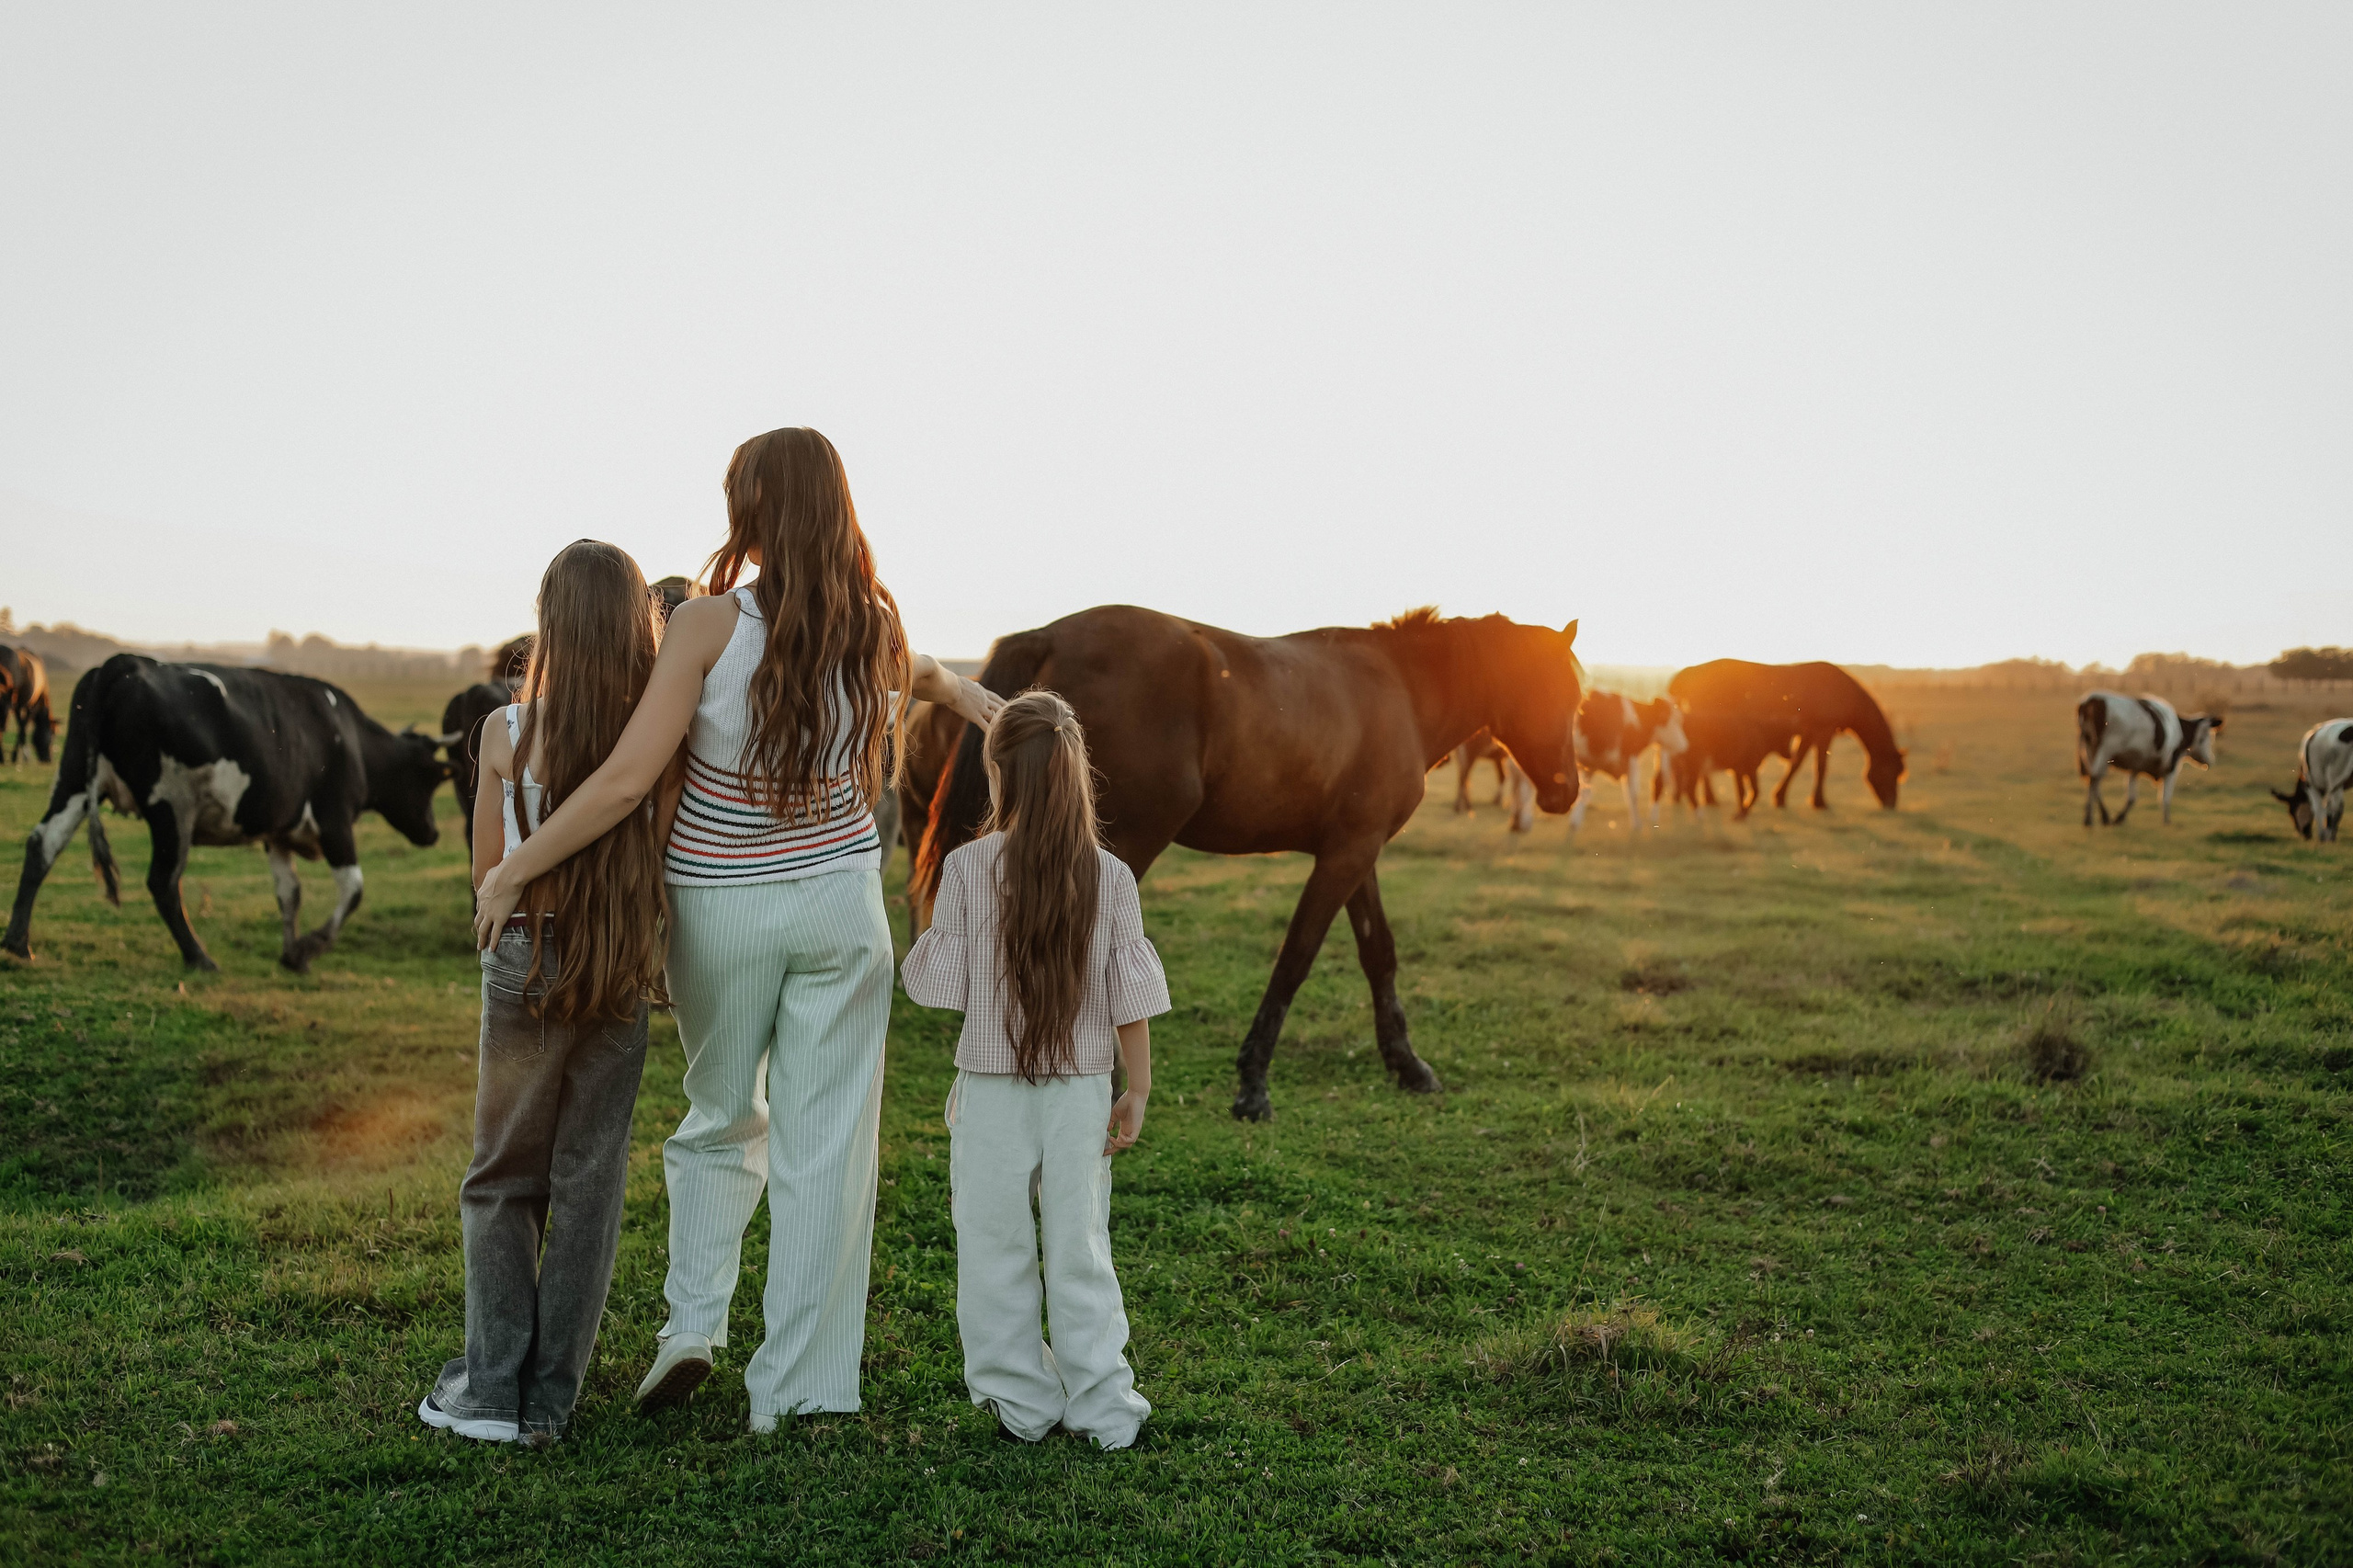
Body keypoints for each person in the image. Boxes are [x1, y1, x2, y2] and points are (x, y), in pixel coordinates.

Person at [472, 427, 1000, 1430]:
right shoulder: (875, 624)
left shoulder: (708, 624)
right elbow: (923, 670)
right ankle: (797, 1387)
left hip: (721, 909)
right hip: (842, 912)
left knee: (719, 1116)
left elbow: (628, 778)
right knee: (829, 1147)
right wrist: (978, 698)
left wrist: (515, 866)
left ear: (750, 508)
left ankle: (692, 1325)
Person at [420, 540, 670, 1445]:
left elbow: (490, 873)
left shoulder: (501, 733)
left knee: (501, 1177)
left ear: (549, 623)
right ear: (638, 625)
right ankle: (550, 1403)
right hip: (619, 963)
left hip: (525, 954)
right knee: (589, 1182)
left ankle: (489, 1389)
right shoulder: (657, 736)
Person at [901, 691, 1166, 1449]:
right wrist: (1137, 1086)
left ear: (997, 771)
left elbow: (937, 987)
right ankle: (1104, 1409)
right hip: (1082, 1091)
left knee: (992, 1247)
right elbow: (1129, 994)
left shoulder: (966, 868)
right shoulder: (1112, 876)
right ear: (1077, 772)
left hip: (988, 1093)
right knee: (1079, 1247)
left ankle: (1021, 1402)